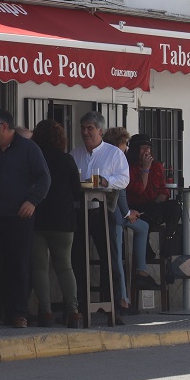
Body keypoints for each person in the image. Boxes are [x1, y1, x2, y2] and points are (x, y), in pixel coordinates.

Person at [0, 108, 50, 328]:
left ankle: (18, 314)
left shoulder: (29, 149)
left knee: (18, 266)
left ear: (4, 126)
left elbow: (44, 178)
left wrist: (32, 201)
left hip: (18, 217)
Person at [70, 111, 130, 323]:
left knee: (110, 259)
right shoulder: (75, 154)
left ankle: (113, 308)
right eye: (83, 128)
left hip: (103, 211)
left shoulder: (113, 153)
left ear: (100, 131)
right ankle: (80, 306)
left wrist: (105, 181)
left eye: (90, 129)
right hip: (80, 211)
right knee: (77, 259)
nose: (85, 132)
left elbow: (124, 179)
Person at [30, 119, 81, 328]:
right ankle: (73, 312)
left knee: (39, 268)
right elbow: (77, 191)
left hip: (38, 218)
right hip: (63, 220)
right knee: (65, 266)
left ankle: (46, 313)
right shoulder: (67, 160)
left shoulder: (33, 158)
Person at [103, 128, 154, 312]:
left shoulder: (105, 156)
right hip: (116, 214)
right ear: (119, 144)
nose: (126, 148)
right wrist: (127, 213)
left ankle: (141, 269)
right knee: (116, 256)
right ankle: (123, 297)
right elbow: (122, 190)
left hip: (116, 212)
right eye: (125, 144)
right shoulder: (119, 159)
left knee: (143, 226)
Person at [126, 134, 181, 260]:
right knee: (148, 215)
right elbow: (139, 190)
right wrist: (145, 169)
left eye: (148, 148)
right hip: (136, 207)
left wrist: (159, 199)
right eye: (143, 148)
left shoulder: (157, 167)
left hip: (154, 205)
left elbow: (164, 190)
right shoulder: (128, 167)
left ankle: (168, 242)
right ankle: (145, 249)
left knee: (174, 206)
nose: (146, 151)